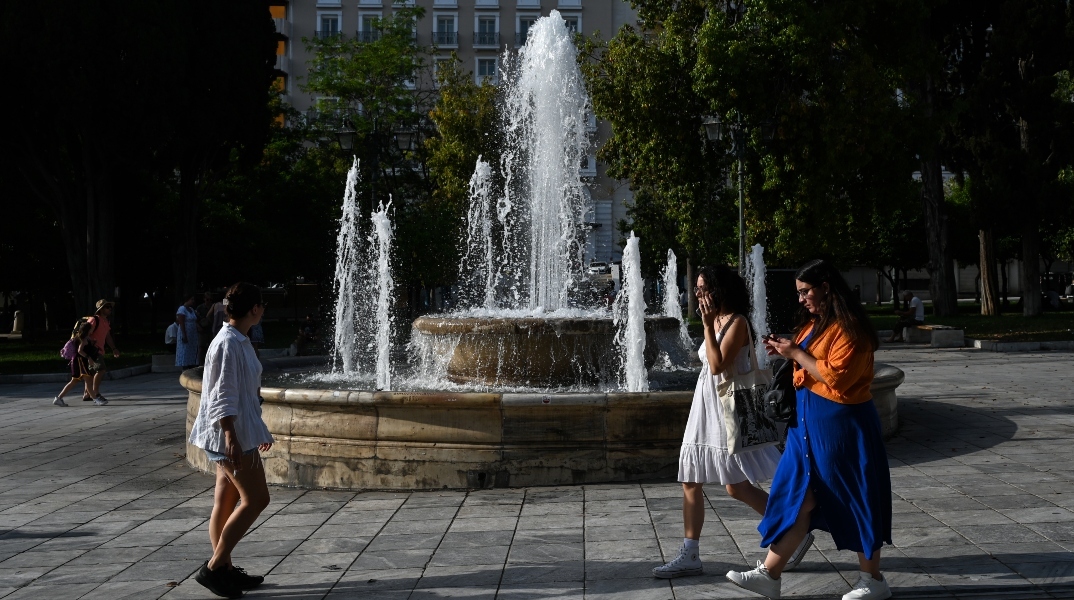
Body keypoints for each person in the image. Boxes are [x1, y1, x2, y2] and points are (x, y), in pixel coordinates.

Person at [726, 259, 892, 600]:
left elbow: (836, 378)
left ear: (826, 288)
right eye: (799, 293)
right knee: (796, 498)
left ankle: (873, 580)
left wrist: (797, 352)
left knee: (855, 497)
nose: (801, 299)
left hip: (842, 428)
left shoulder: (851, 330)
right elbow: (804, 366)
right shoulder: (814, 325)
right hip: (807, 429)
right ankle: (769, 575)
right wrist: (786, 353)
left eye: (806, 292)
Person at [653, 265, 812, 579]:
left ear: (719, 290)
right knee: (692, 479)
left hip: (727, 409)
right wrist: (710, 325)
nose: (697, 293)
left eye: (703, 288)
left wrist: (708, 325)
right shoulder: (719, 321)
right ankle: (690, 553)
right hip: (707, 406)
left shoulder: (737, 322)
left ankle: (793, 532)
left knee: (736, 486)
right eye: (696, 288)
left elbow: (716, 366)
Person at [188, 282, 273, 599]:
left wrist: (256, 429)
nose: (263, 310)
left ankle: (223, 570)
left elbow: (245, 393)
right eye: (262, 305)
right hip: (228, 436)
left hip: (234, 432)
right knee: (256, 499)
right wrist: (231, 437)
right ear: (254, 309)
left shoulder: (238, 340)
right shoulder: (228, 343)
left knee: (224, 501)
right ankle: (213, 567)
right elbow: (222, 396)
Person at [53, 321, 104, 407]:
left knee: (74, 381)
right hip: (80, 362)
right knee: (88, 380)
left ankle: (59, 398)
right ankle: (96, 399)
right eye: (91, 329)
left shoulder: (85, 338)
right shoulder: (82, 338)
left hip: (79, 362)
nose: (92, 330)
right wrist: (89, 357)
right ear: (87, 330)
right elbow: (79, 351)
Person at [85, 300, 119, 404]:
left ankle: (87, 394)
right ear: (101, 309)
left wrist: (114, 348)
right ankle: (96, 394)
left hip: (99, 350)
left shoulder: (105, 321)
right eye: (107, 307)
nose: (110, 309)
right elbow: (84, 333)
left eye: (110, 307)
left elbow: (108, 336)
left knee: (91, 373)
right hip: (93, 350)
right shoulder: (94, 320)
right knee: (101, 369)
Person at [176, 294, 200, 369]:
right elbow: (181, 322)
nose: (193, 301)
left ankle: (191, 365)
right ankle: (185, 367)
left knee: (192, 351)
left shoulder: (192, 310)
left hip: (192, 334)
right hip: (186, 332)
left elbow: (195, 320)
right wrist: (184, 335)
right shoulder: (182, 309)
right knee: (185, 351)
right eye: (191, 299)